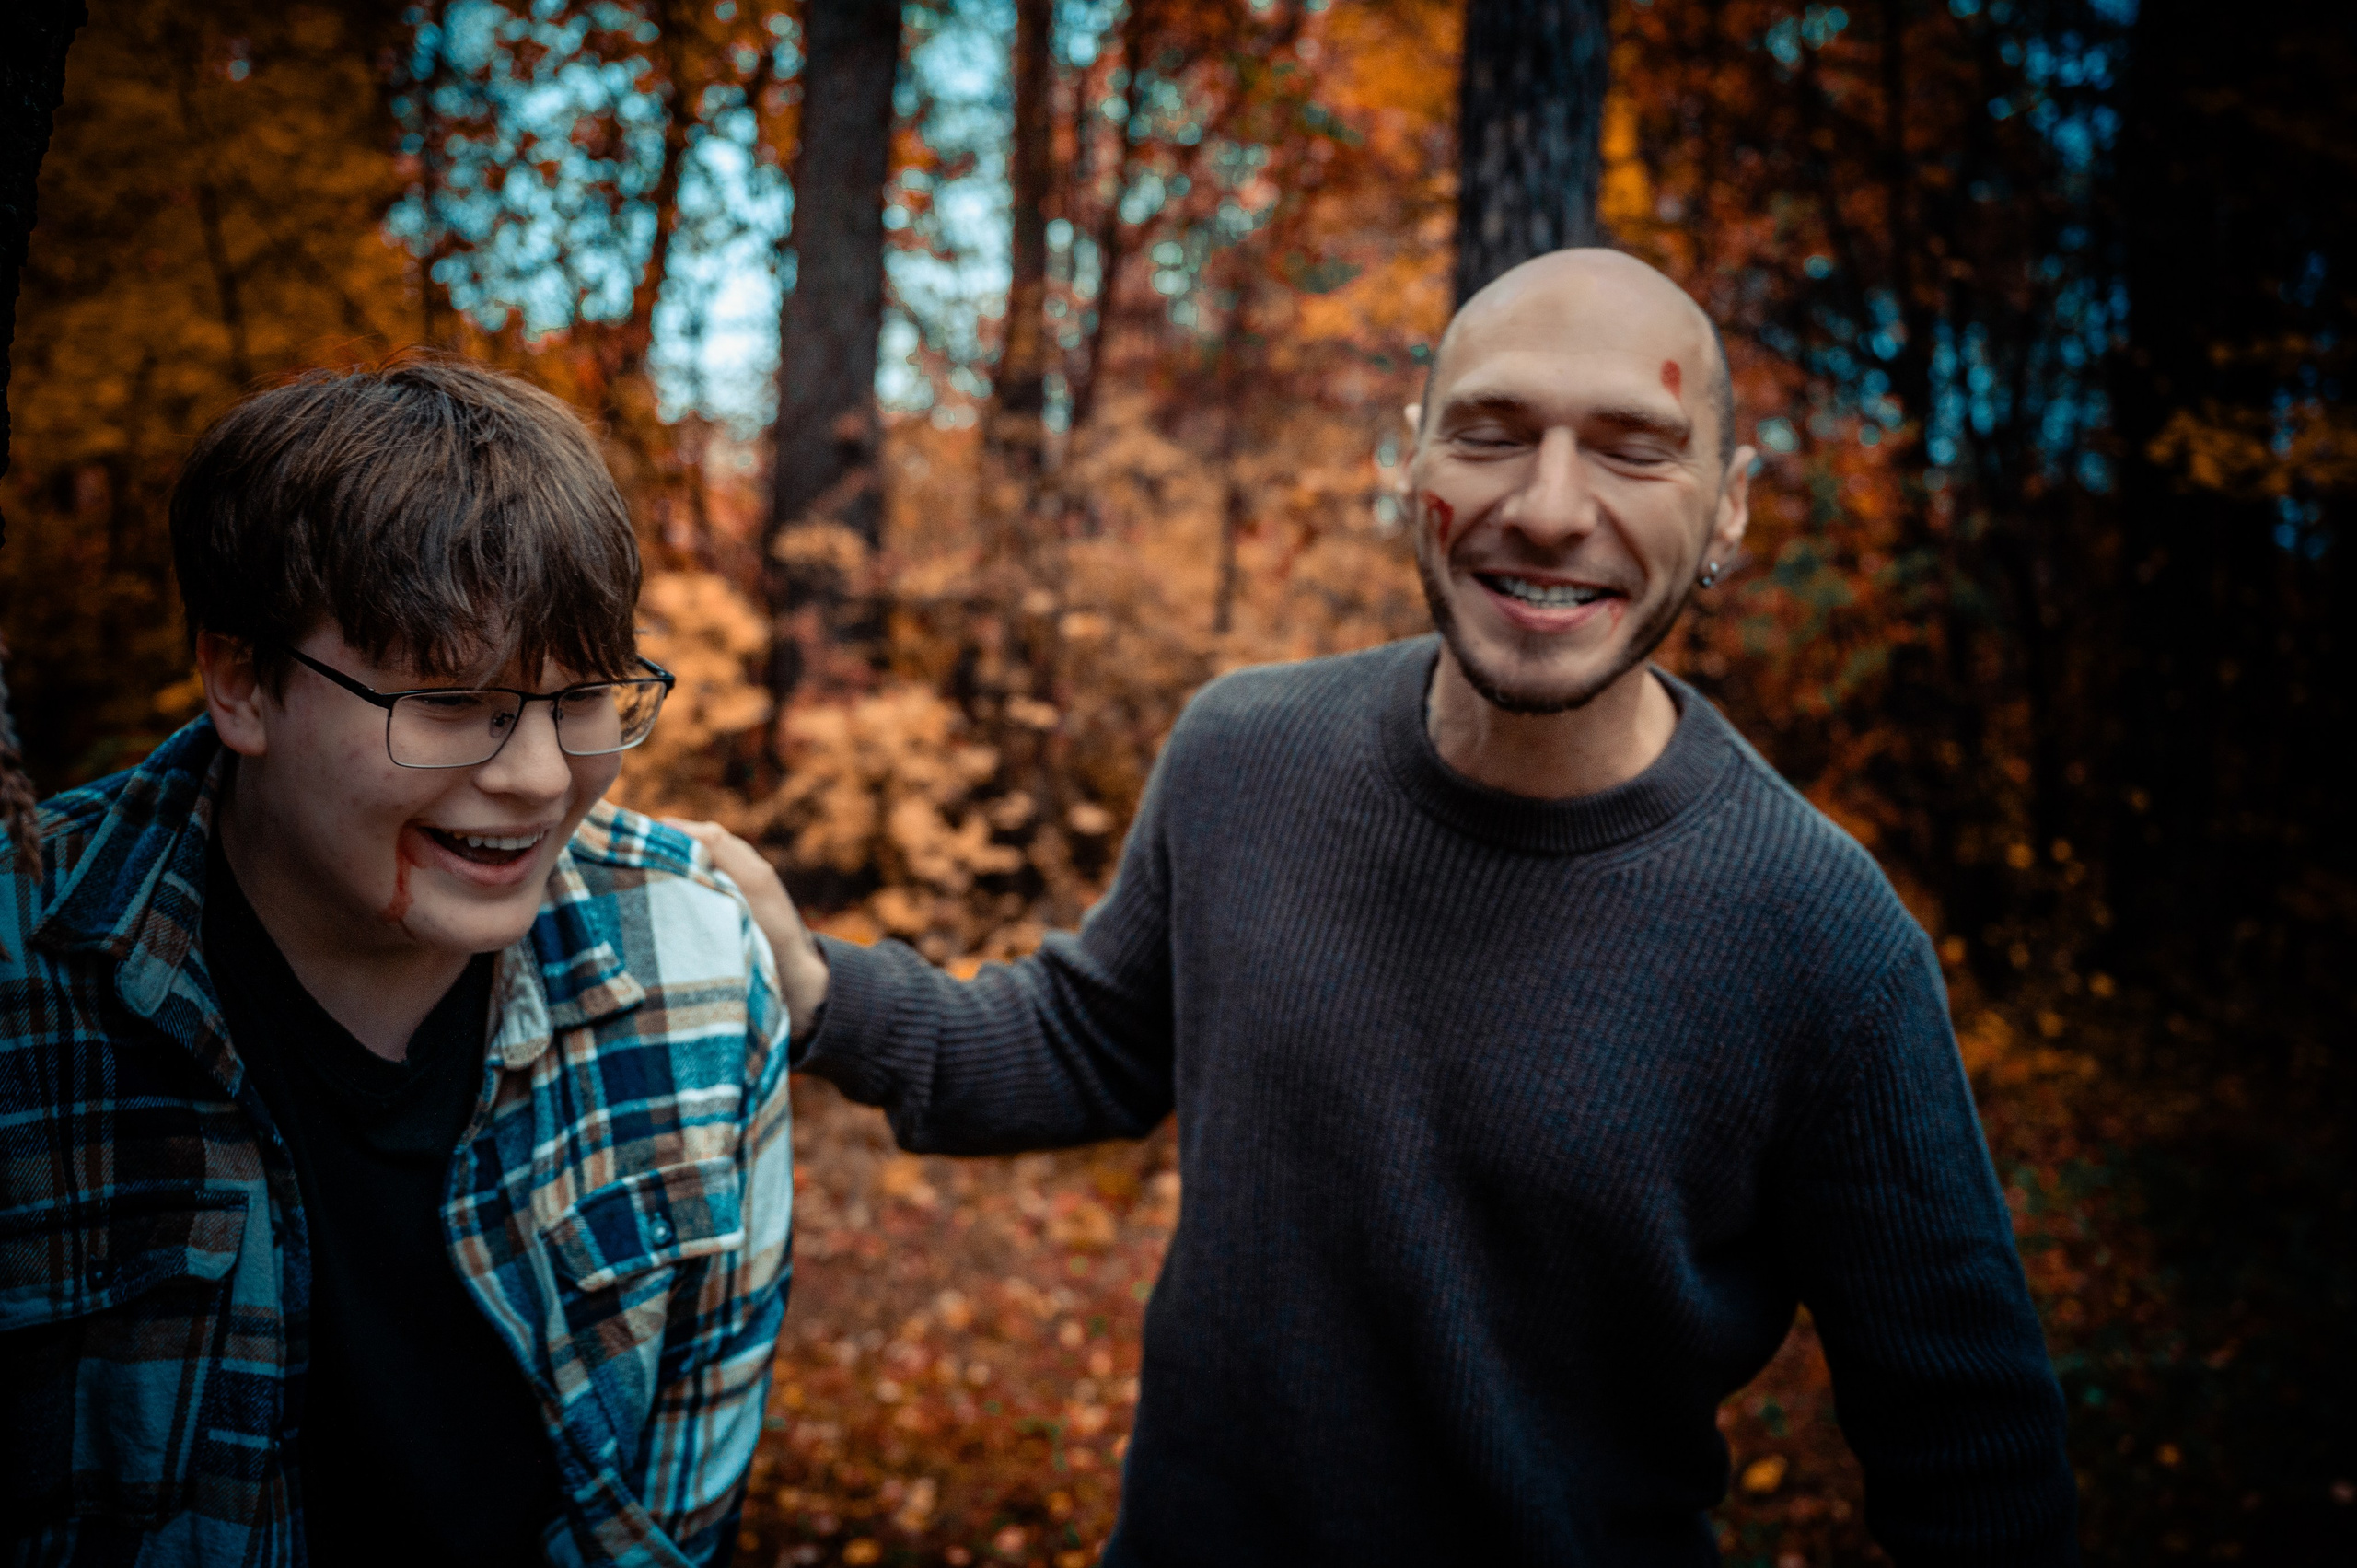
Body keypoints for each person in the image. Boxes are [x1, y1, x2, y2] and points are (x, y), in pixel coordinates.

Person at [695, 249, 2078, 1563]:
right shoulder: (1241, 754)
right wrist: (819, 990)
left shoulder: (1821, 936)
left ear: (1727, 508)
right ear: (1404, 462)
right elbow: (1086, 1038)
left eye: (1631, 447)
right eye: (1487, 433)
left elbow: (1970, 1454)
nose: (1545, 505)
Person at [0, 358, 795, 1567]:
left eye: (582, 697)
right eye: (448, 701)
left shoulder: (693, 969)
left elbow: (677, 1517)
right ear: (240, 677)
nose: (536, 777)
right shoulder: (23, 972)